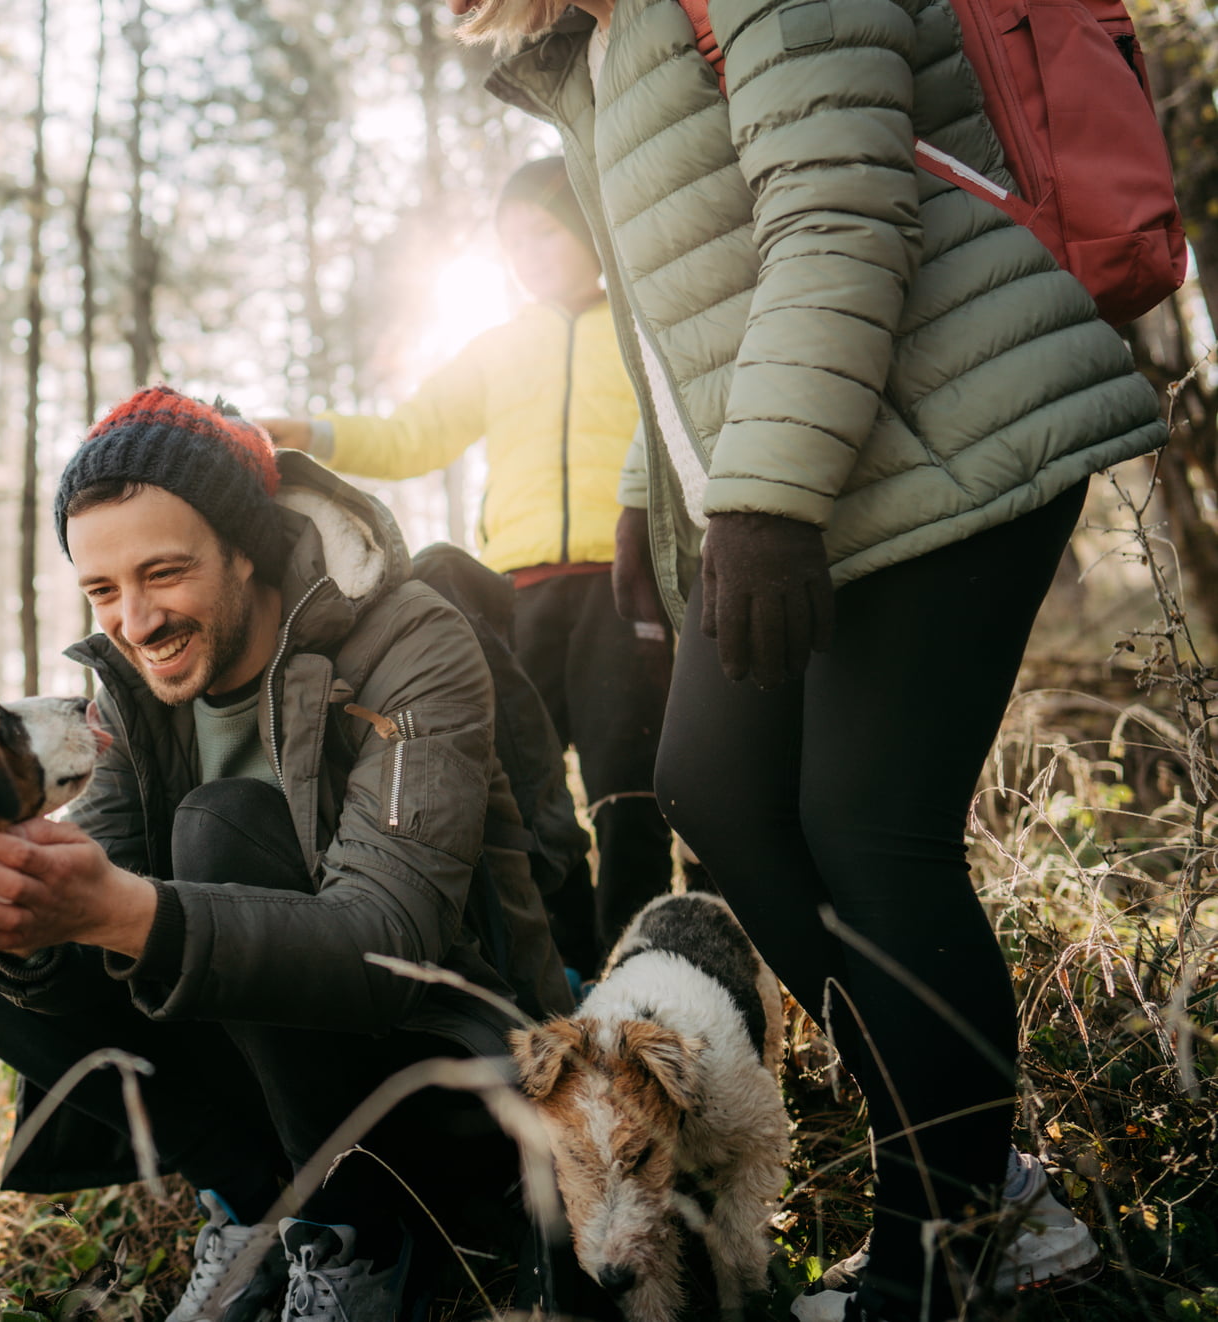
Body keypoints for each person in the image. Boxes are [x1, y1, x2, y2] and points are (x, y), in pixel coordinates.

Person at [451, 0, 1168, 1316]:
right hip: (831, 452)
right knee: (716, 791)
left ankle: (934, 1257)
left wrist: (764, 500)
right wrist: (644, 483)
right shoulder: (606, 43)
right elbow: (695, 291)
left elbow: (835, 210)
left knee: (869, 830)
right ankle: (976, 1169)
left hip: (946, 420)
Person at [0, 386, 578, 1322]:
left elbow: (389, 939)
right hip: (270, 1084)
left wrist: (118, 910)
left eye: (163, 573)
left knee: (216, 829)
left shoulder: (413, 641)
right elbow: (92, 913)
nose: (135, 621)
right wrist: (19, 916)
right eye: (102, 590)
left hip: (449, 1071)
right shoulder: (127, 692)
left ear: (247, 547)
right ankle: (261, 1207)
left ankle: (362, 1237)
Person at [261, 157, 682, 968]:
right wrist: (309, 433)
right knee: (523, 794)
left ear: (593, 228)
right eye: (510, 242)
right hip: (514, 595)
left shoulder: (645, 324)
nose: (526, 253)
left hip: (622, 581)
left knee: (627, 788)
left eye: (543, 232)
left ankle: (644, 976)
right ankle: (565, 973)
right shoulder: (496, 347)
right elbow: (413, 435)